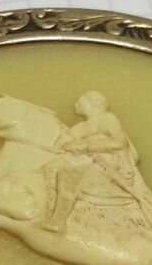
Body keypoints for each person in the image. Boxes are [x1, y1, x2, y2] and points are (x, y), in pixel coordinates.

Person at [41, 91, 137, 233]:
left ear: (93, 103)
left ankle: (57, 221)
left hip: (108, 167)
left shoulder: (107, 118)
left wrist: (86, 145)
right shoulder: (78, 127)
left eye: (80, 101)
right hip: (82, 164)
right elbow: (63, 145)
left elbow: (119, 142)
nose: (76, 105)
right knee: (53, 169)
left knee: (67, 176)